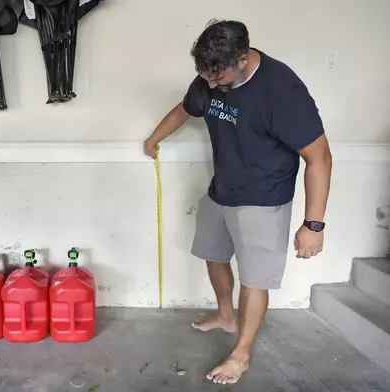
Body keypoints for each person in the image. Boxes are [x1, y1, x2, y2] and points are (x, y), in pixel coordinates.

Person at [143, 20, 332, 385]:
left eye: (218, 77)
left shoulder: (282, 92)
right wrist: (154, 138)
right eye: (205, 76)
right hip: (223, 188)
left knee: (254, 279)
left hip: (264, 198)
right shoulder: (211, 76)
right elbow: (185, 109)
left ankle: (240, 355)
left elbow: (320, 157)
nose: (211, 86)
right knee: (213, 255)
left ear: (242, 59)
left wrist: (314, 225)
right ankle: (226, 317)